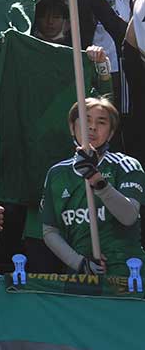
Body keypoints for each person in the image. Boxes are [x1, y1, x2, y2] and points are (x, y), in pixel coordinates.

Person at [40, 97, 145, 275]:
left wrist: (96, 180)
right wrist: (79, 263)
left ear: (111, 133)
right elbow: (50, 231)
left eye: (101, 122)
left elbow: (128, 216)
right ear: (72, 127)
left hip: (126, 273)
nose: (92, 127)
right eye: (86, 119)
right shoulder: (56, 174)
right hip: (79, 277)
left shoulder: (125, 165)